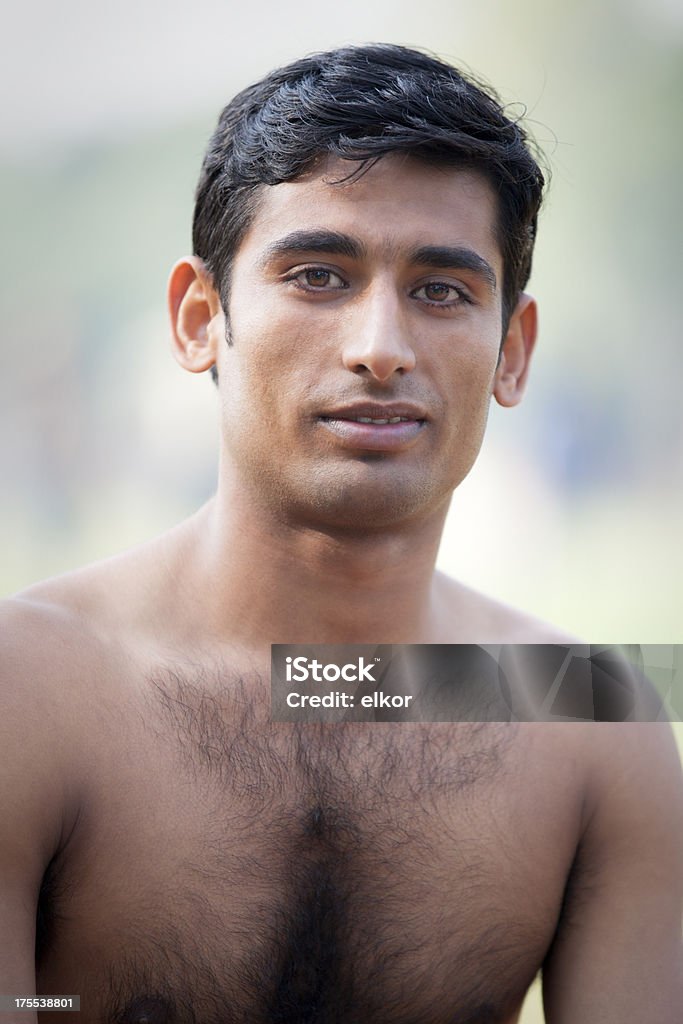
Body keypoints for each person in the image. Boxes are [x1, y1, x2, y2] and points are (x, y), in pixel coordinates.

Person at [1, 43, 681, 1023]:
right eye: (318, 274)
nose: (379, 348)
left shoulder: (586, 718)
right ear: (200, 319)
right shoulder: (32, 692)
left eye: (441, 290)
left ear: (512, 350)